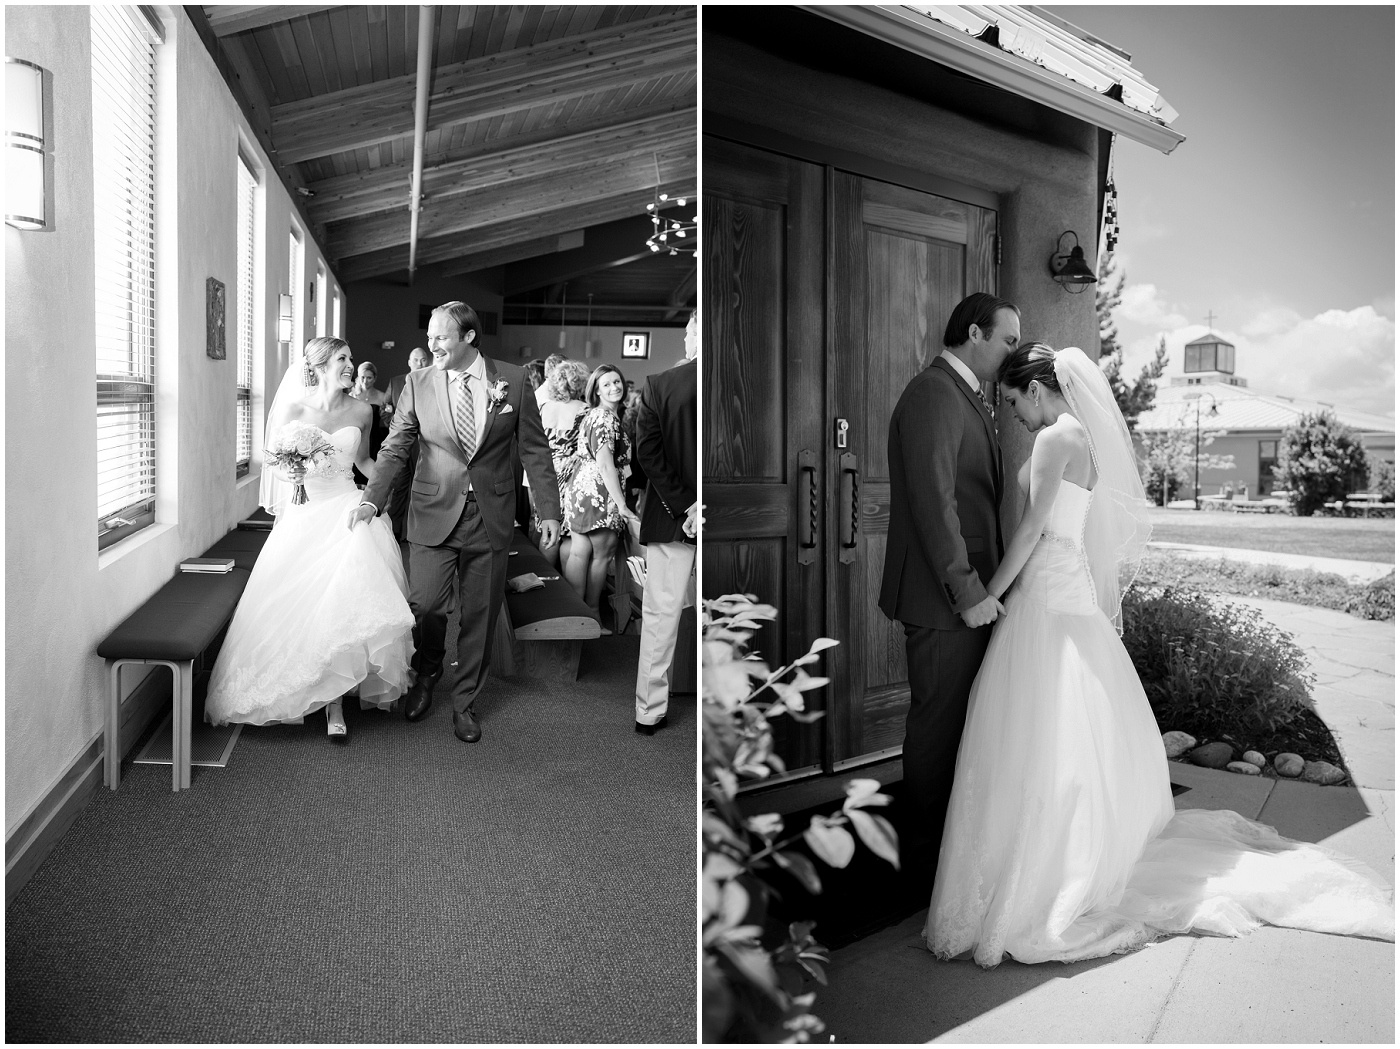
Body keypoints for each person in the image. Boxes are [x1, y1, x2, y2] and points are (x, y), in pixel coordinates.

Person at [926, 343, 1395, 966]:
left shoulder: (1051, 440)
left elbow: (1035, 529)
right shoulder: (1087, 441)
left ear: (1036, 389)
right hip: (1071, 595)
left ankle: (1044, 878)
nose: (1013, 414)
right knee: (1071, 738)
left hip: (1044, 593)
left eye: (1012, 400)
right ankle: (1080, 864)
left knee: (1037, 737)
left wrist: (987, 593)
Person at [352, 302, 560, 745]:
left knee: (480, 615)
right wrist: (373, 501)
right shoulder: (417, 382)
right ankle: (427, 674)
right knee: (426, 605)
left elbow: (535, 451)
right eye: (429, 336)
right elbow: (394, 447)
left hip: (491, 514)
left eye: (440, 337)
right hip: (432, 512)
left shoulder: (514, 380)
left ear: (467, 337)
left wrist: (550, 509)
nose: (431, 345)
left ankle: (465, 700)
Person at [878, 291, 1021, 900]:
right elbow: (936, 505)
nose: (1013, 351)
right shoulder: (934, 393)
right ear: (973, 332)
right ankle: (923, 870)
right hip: (946, 601)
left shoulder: (968, 397)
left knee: (957, 724)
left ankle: (947, 858)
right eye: (1007, 339)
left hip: (968, 597)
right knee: (936, 728)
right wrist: (967, 593)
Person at [205, 336, 414, 741]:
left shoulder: (363, 410)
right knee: (292, 604)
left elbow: (364, 461)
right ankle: (300, 688)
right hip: (303, 512)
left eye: (351, 358)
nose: (350, 364)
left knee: (344, 599)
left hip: (346, 508)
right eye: (342, 358)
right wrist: (291, 474)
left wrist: (393, 493)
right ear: (317, 367)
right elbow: (273, 460)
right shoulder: (293, 408)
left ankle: (336, 702)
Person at [631, 311, 698, 735]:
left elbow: (648, 454)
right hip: (729, 515)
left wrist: (686, 505)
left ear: (693, 333)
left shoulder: (660, 384)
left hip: (673, 518)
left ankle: (649, 711)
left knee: (660, 617)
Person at [562, 364, 641, 629]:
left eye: (617, 382)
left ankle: (575, 616)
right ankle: (593, 615)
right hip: (600, 492)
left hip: (581, 488)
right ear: (596, 390)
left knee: (580, 551)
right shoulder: (605, 418)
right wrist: (622, 505)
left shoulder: (594, 414)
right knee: (601, 556)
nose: (614, 387)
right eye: (606, 384)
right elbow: (607, 465)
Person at [539, 358, 590, 569]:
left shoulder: (542, 407)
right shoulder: (585, 410)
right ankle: (564, 585)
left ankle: (545, 579)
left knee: (547, 529)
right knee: (567, 533)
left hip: (544, 472)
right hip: (570, 474)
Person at [386, 347, 431, 539]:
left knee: (424, 487)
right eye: (416, 360)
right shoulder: (396, 382)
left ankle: (420, 529)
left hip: (426, 444)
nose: (420, 364)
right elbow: (385, 409)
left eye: (423, 360)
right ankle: (396, 530)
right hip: (402, 443)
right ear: (409, 362)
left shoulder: (434, 381)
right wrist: (397, 427)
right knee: (400, 485)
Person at [350, 360, 391, 459]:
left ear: (374, 378)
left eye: (369, 378)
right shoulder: (352, 396)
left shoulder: (382, 396)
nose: (365, 381)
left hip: (375, 438)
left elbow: (387, 422)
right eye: (362, 377)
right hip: (356, 437)